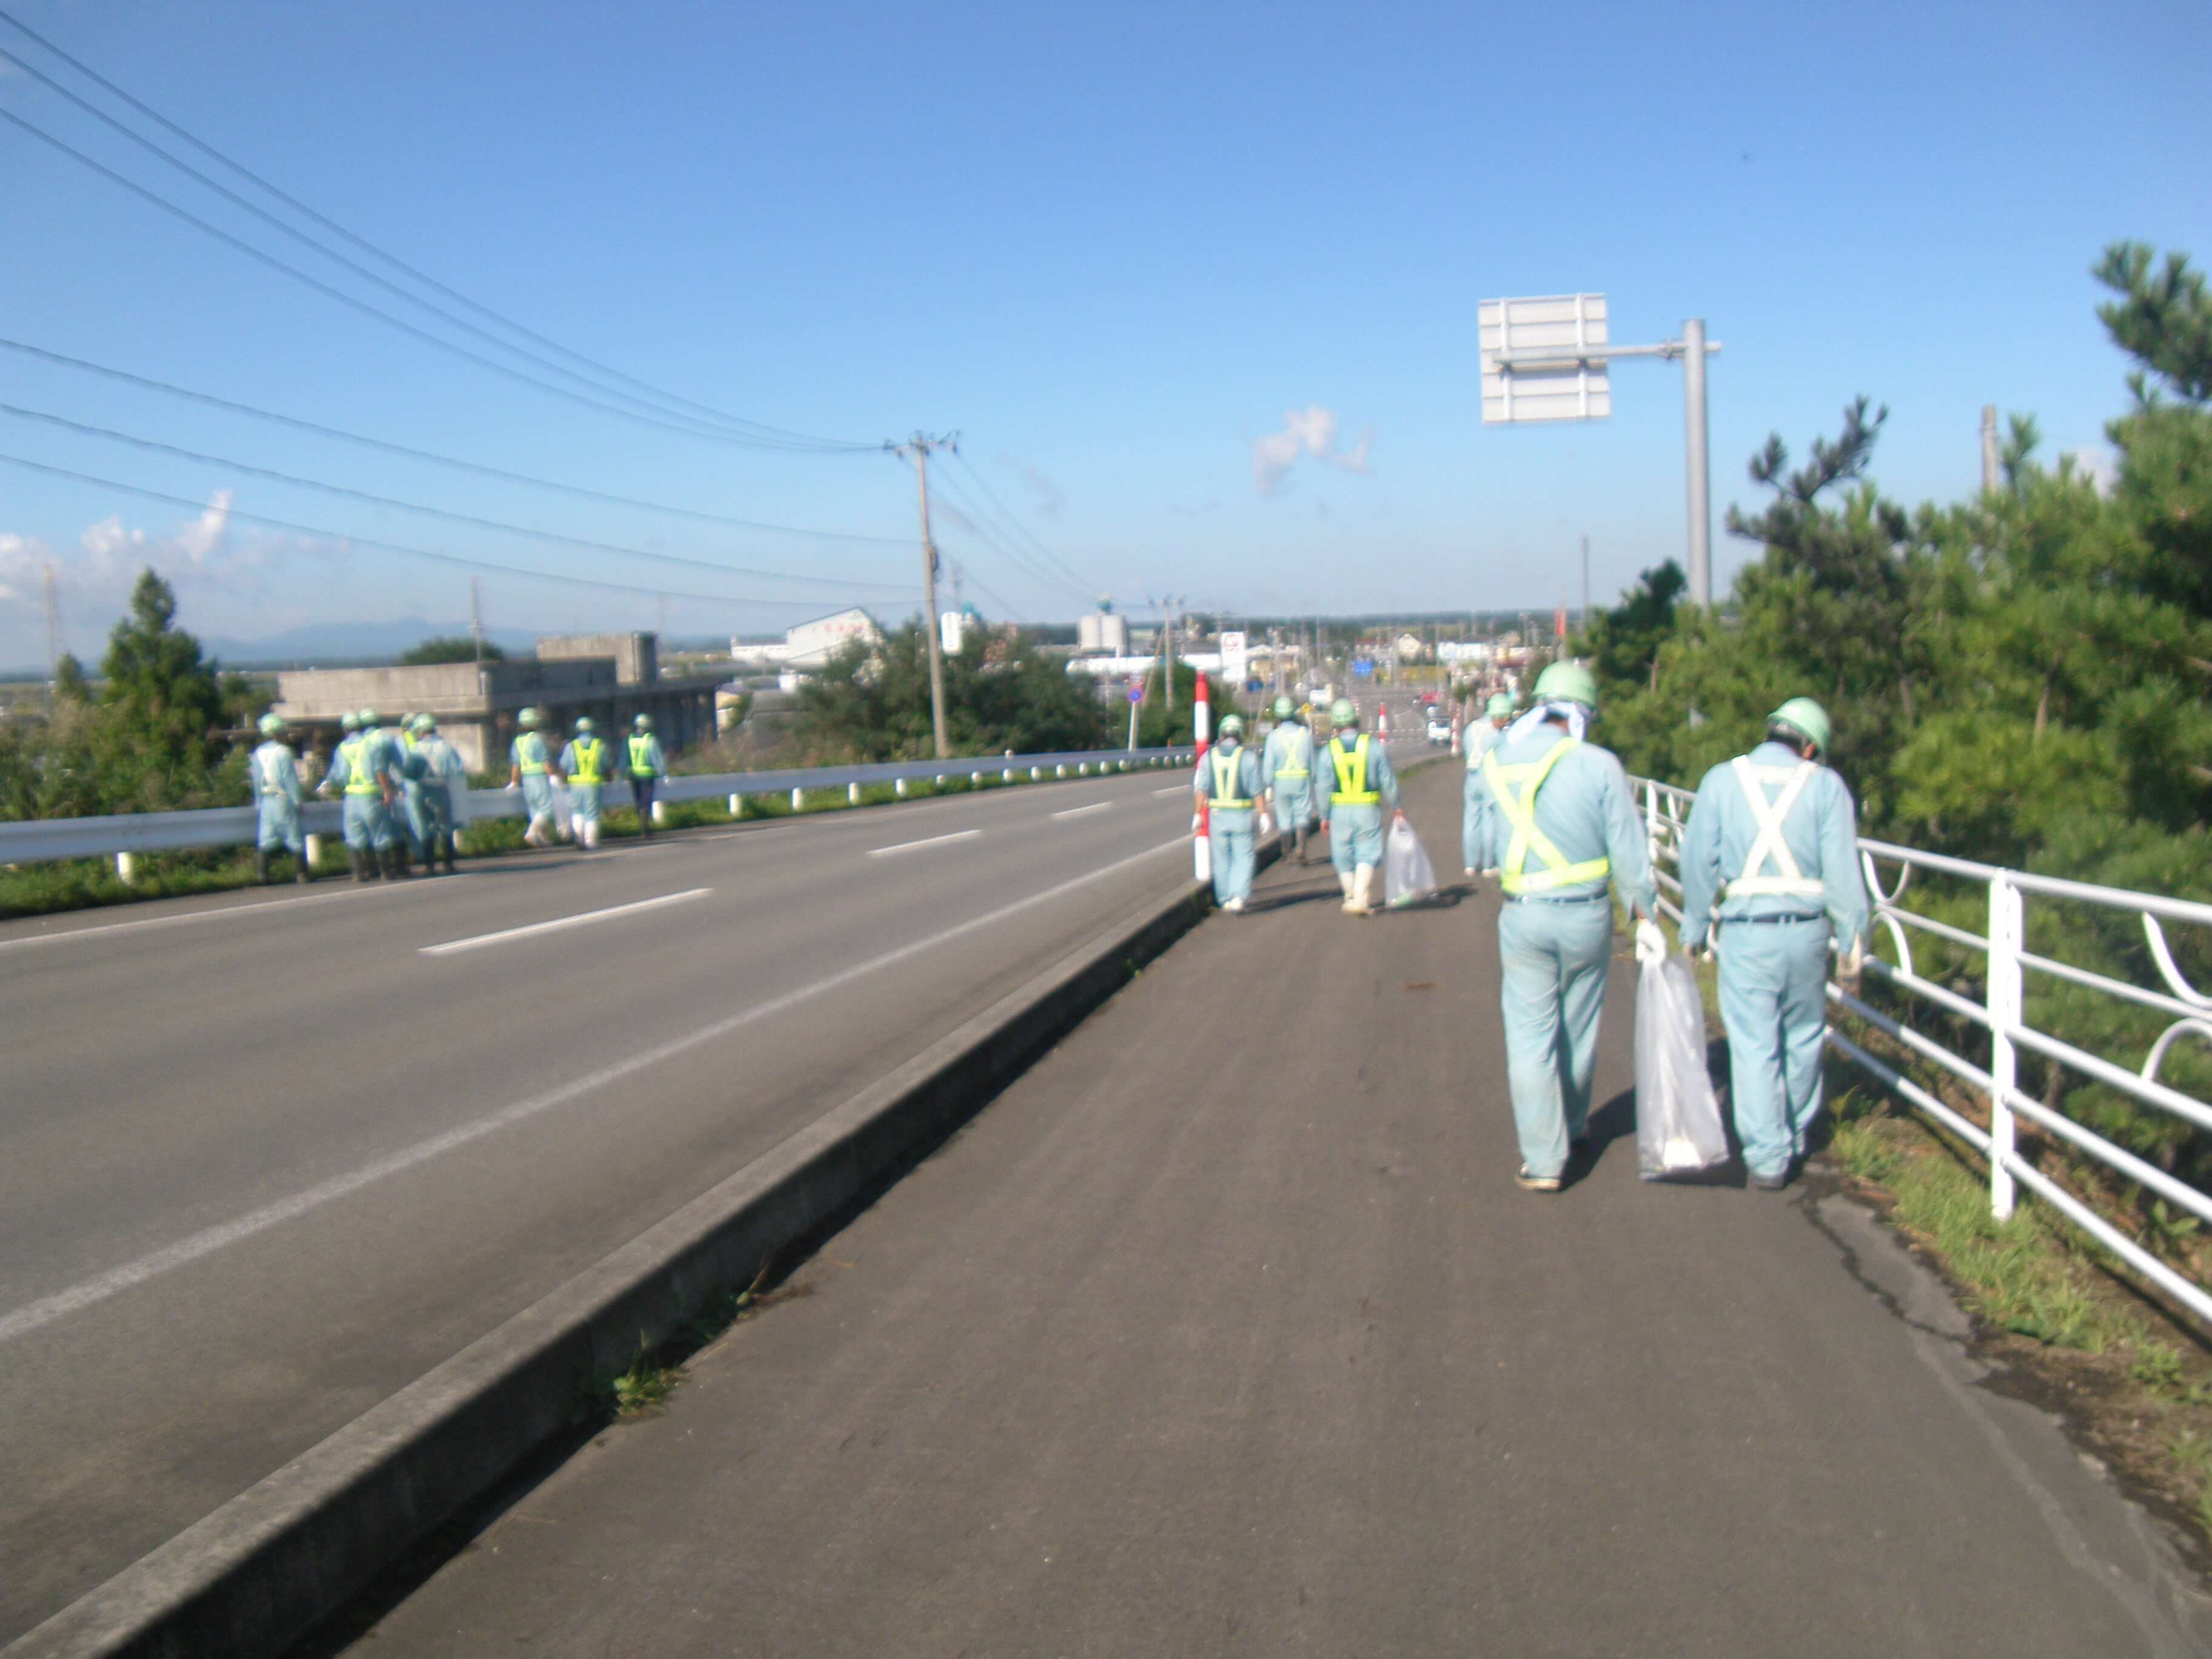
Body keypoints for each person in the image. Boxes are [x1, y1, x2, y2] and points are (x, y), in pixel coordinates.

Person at [1467, 662, 1661, 1192]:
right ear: (1581, 714)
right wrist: (1643, 910)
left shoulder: (1496, 761)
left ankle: (1544, 1161)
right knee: (1579, 1025)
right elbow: (1628, 847)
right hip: (1588, 914)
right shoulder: (1599, 765)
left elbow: (1486, 824)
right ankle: (1574, 1125)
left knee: (1530, 1038)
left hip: (1524, 911)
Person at [1677, 697, 1870, 1191]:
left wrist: (1694, 929)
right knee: (1803, 1037)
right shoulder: (1827, 787)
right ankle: (1796, 1132)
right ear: (1809, 747)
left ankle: (1767, 1157)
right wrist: (1853, 940)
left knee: (1754, 1042)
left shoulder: (1722, 780)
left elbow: (1699, 861)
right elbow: (1844, 874)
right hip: (1808, 933)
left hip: (1747, 934)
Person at [1312, 697, 1402, 917]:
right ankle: (1361, 897)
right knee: (1368, 852)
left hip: (1339, 810)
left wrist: (1324, 815)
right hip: (1368, 808)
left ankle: (1350, 895)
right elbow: (1387, 780)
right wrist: (1396, 805)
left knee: (1342, 854)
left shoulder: (1328, 752)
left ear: (1335, 723)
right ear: (1356, 719)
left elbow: (1323, 787)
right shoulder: (1374, 747)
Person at [1194, 713, 1264, 913]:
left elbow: (1201, 789)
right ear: (1240, 734)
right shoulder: (1248, 757)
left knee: (1221, 859)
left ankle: (1224, 898)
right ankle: (1238, 897)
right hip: (1242, 817)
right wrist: (1264, 814)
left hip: (1217, 818)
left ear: (1221, 734)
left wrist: (1198, 814)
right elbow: (1257, 791)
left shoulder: (1208, 757)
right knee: (1243, 857)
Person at [317, 709, 398, 881]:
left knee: (354, 837)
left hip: (351, 798)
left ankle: (359, 873)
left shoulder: (341, 748)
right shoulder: (371, 745)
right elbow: (380, 772)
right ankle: (385, 872)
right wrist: (387, 792)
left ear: (345, 730)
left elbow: (337, 776)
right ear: (362, 727)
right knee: (380, 834)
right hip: (371, 796)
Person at [249, 712, 311, 885]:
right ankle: (302, 874)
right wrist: (298, 801)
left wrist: (258, 802)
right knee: (294, 838)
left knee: (266, 839)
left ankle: (263, 876)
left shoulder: (257, 754)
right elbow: (291, 780)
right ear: (278, 732)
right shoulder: (284, 752)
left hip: (266, 802)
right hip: (282, 800)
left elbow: (256, 781)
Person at [1462, 691, 1515, 878]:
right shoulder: (1498, 734)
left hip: (1471, 777)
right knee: (1489, 820)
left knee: (1470, 820)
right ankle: (1488, 864)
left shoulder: (1471, 728)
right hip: (1489, 778)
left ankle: (1470, 864)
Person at [1261, 695, 1317, 864]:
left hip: (1281, 781)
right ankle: (1301, 849)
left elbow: (1268, 764)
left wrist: (1268, 784)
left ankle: (1286, 850)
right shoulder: (1305, 734)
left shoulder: (1273, 737)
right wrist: (1314, 778)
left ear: (1278, 715)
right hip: (1302, 779)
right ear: (1294, 713)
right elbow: (1312, 761)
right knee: (1302, 815)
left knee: (1284, 816)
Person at [409, 714, 466, 874]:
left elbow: (407, 772)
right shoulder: (445, 747)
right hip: (441, 789)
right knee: (445, 826)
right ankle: (448, 864)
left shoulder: (415, 749)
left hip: (420, 791)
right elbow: (458, 769)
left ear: (420, 731)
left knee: (425, 827)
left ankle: (429, 866)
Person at [509, 708, 558, 847]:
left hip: (526, 780)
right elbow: (545, 761)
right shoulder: (538, 739)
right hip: (539, 778)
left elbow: (516, 765)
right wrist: (552, 776)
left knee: (535, 810)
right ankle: (532, 833)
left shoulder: (518, 741)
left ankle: (542, 838)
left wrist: (514, 781)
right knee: (546, 809)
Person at [560, 717, 610, 848]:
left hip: (575, 784)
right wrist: (609, 778)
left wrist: (563, 780)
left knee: (577, 811)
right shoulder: (599, 745)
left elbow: (564, 765)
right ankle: (590, 841)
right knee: (592, 813)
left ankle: (579, 837)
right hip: (593, 784)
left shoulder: (571, 746)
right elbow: (606, 765)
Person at [625, 713, 668, 837]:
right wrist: (663, 774)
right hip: (647, 775)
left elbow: (625, 758)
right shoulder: (650, 740)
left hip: (633, 776)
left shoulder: (630, 740)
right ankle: (645, 827)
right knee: (646, 801)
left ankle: (642, 825)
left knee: (638, 801)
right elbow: (657, 759)